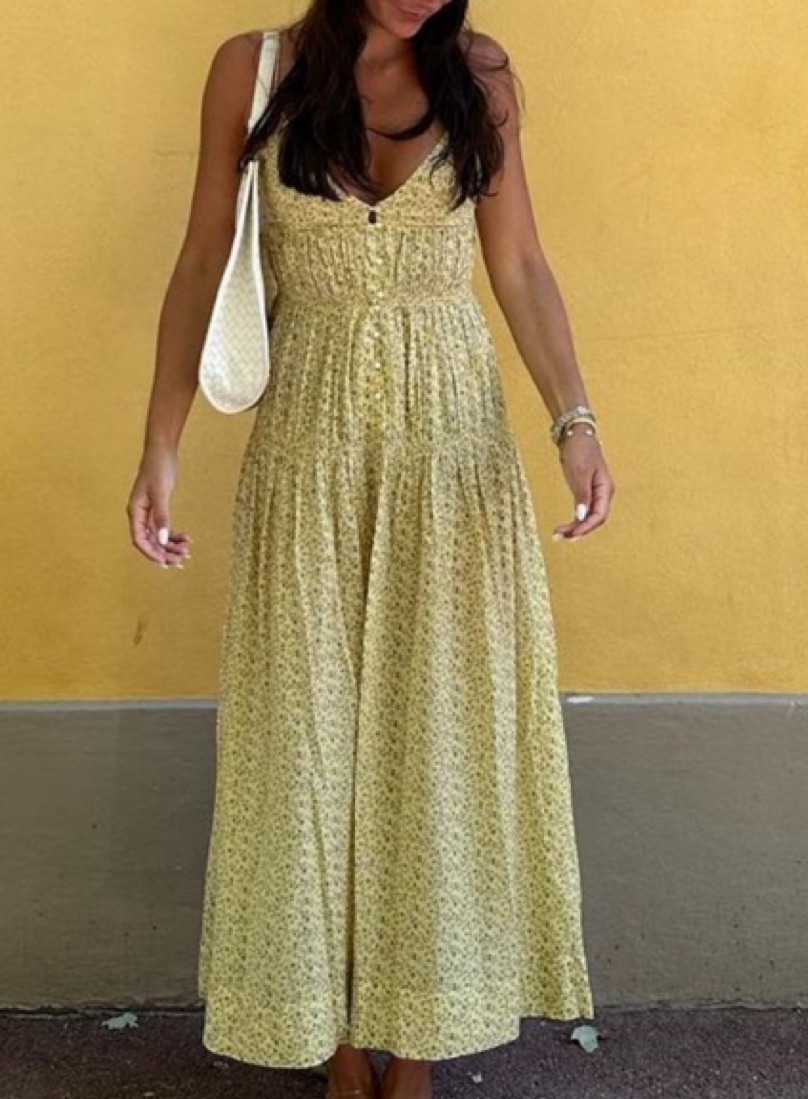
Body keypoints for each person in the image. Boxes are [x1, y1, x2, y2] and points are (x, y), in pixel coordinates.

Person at [127, 2, 616, 1097]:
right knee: (307, 743)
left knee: (435, 737)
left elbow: (520, 264)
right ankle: (338, 1040)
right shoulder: (252, 73)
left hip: (452, 453)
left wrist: (573, 422)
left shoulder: (480, 75)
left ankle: (420, 1040)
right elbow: (201, 262)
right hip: (308, 451)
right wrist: (159, 447)